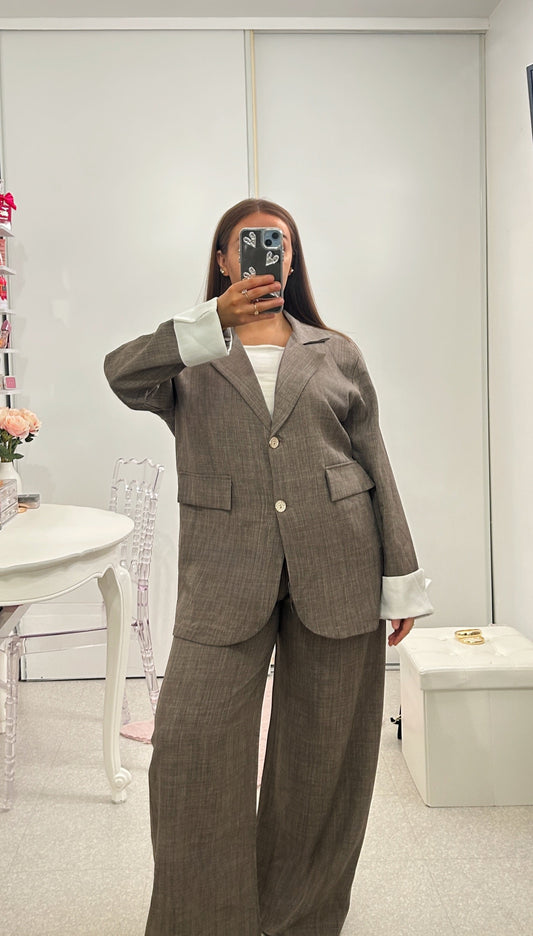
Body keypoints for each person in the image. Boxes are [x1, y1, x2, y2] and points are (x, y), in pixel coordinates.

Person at [104, 197, 433, 936]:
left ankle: (299, 919)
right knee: (190, 753)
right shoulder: (191, 355)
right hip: (223, 573)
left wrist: (400, 577)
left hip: (340, 562)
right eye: (249, 243)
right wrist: (209, 321)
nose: (266, 254)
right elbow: (120, 375)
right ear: (224, 259)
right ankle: (204, 921)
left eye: (278, 244)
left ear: (291, 260)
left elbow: (373, 461)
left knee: (325, 760)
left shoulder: (335, 351)